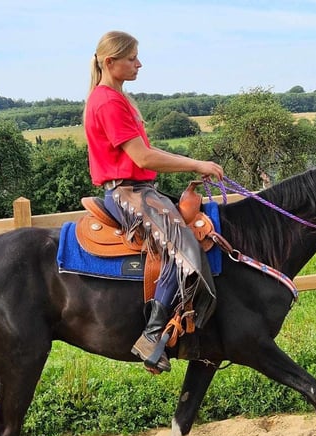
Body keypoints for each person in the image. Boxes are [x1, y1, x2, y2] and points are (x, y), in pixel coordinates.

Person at [83, 30, 224, 374]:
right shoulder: (108, 101)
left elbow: (148, 154)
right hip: (127, 193)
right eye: (132, 58)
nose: (139, 64)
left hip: (140, 190)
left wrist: (190, 163)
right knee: (183, 248)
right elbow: (143, 158)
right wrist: (195, 164)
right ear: (110, 62)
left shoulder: (118, 99)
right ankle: (152, 335)